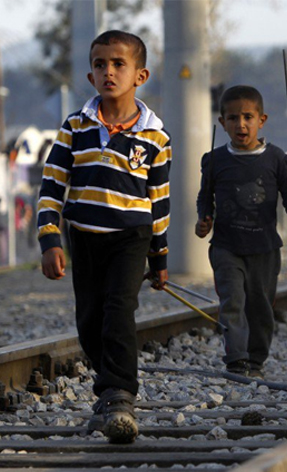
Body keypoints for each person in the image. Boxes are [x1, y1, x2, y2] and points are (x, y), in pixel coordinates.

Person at [37, 30, 171, 444]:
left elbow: (160, 202)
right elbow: (52, 184)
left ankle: (118, 394)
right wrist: (50, 238)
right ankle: (111, 383)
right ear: (91, 74)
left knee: (118, 310)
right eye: (100, 64)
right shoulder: (75, 127)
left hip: (132, 236)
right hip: (84, 236)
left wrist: (159, 259)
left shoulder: (155, 137)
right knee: (89, 319)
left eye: (118, 64)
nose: (108, 71)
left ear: (140, 75)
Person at [195, 85, 287, 379]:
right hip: (226, 246)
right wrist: (203, 219)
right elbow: (205, 197)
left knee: (260, 308)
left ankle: (255, 361)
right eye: (232, 118)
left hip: (265, 248)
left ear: (262, 120)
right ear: (222, 123)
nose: (240, 124)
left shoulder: (277, 159)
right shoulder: (214, 160)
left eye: (247, 117)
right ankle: (236, 360)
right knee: (232, 302)